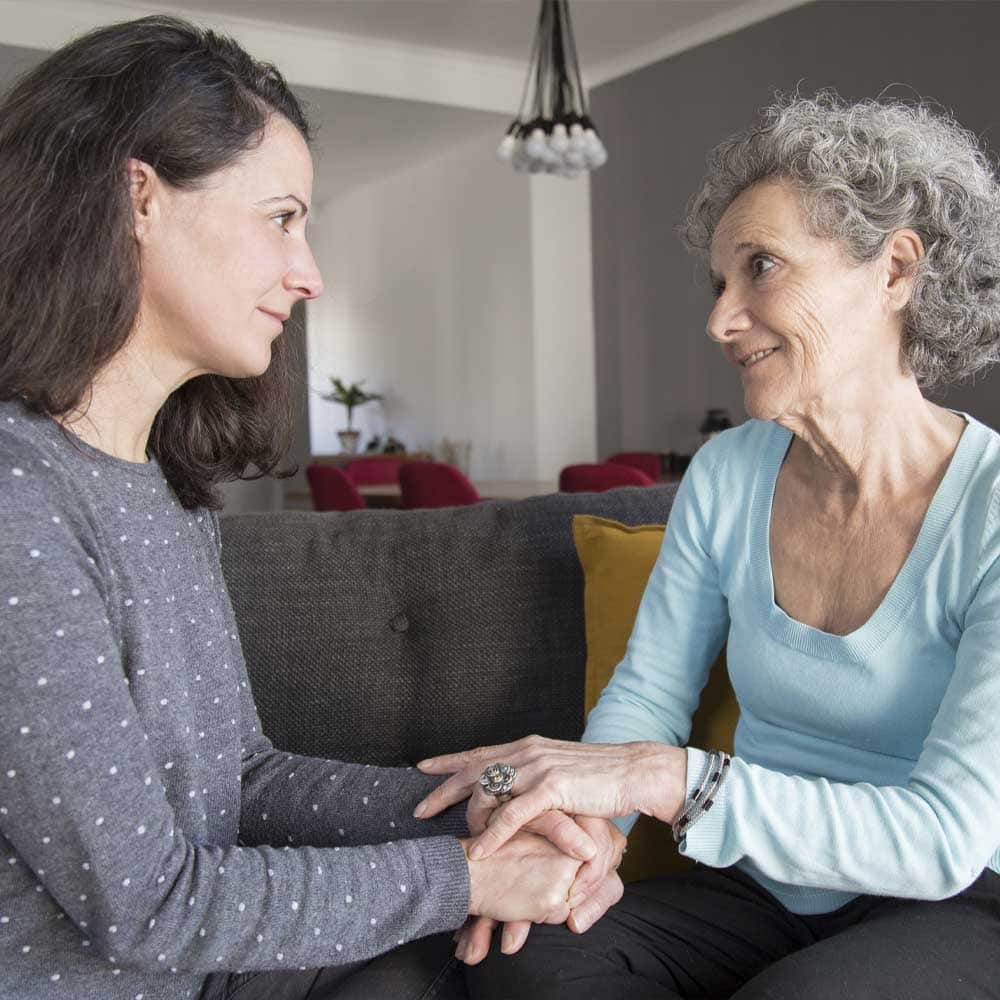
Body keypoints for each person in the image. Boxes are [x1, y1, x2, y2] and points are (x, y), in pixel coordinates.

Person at [0, 17, 607, 1000]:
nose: (309, 272)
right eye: (282, 217)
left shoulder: (163, 485)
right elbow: (149, 904)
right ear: (138, 197)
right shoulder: (18, 496)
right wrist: (465, 874)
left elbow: (245, 780)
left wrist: (492, 808)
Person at [417, 93, 1000, 998]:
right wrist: (587, 845)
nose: (721, 320)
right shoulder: (730, 472)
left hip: (951, 901)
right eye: (719, 283)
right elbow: (651, 687)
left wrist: (660, 778)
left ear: (895, 270)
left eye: (760, 268)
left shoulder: (992, 508)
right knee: (535, 963)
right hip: (760, 884)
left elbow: (943, 836)